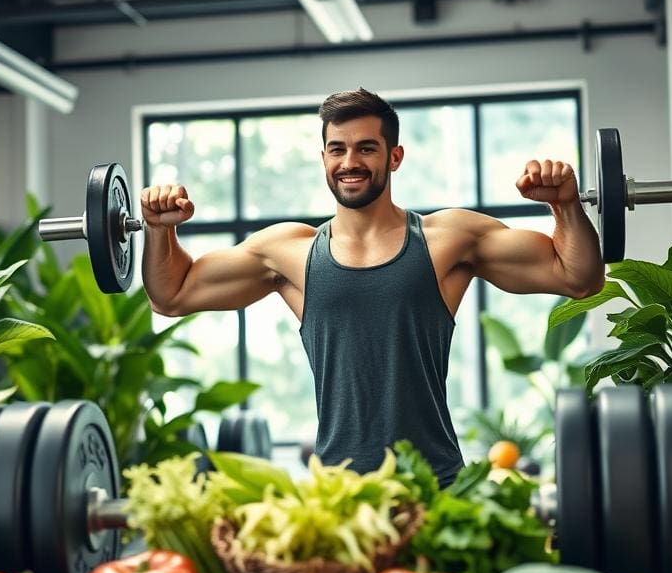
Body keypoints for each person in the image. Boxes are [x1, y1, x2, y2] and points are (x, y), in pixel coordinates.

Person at [140, 88, 605, 487]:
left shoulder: (449, 240)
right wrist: (159, 230)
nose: (350, 162)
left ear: (394, 156)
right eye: (337, 149)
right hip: (339, 492)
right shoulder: (288, 252)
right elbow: (172, 294)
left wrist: (564, 205)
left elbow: (577, 276)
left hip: (436, 483)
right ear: (323, 157)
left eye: (366, 148)